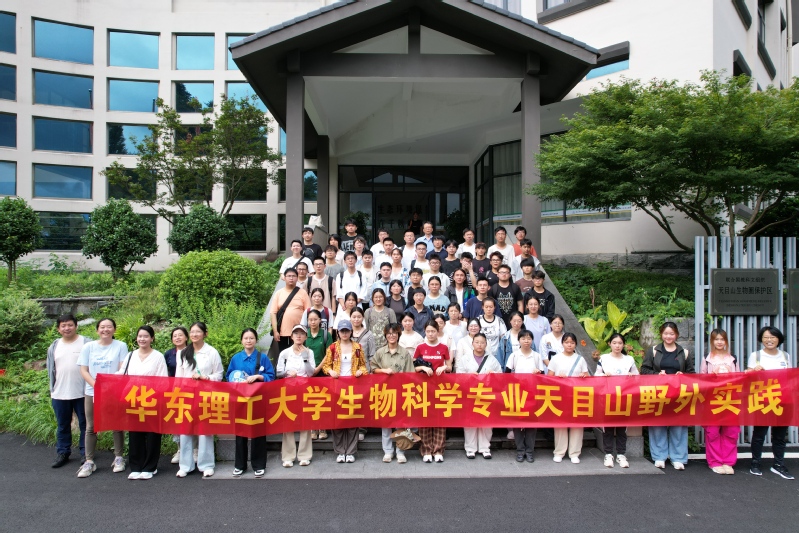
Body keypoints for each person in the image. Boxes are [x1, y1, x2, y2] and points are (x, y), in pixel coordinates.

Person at [76, 318, 129, 478]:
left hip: (114, 391)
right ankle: (89, 461)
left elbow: (122, 368)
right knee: (91, 426)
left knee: (116, 424)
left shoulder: (120, 346)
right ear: (97, 330)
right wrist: (96, 386)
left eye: (109, 327)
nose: (105, 330)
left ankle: (119, 457)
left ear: (114, 329)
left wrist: (109, 387)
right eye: (102, 327)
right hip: (92, 391)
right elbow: (84, 370)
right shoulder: (88, 347)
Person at [640, 321, 694, 471]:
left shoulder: (684, 352)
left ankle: (678, 457)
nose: (668, 336)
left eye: (671, 334)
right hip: (658, 393)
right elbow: (644, 370)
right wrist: (657, 374)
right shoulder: (653, 351)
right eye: (665, 333)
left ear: (676, 334)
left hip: (678, 395)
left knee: (679, 425)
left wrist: (683, 375)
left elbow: (692, 373)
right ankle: (659, 456)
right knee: (658, 424)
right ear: (661, 334)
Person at [118, 326, 168, 480]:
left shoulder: (158, 356)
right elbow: (122, 374)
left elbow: (163, 380)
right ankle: (136, 466)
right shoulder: (130, 355)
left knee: (152, 434)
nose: (142, 339)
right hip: (133, 399)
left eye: (146, 336)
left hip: (152, 399)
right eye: (140, 336)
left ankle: (150, 467)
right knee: (135, 433)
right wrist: (104, 379)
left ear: (152, 338)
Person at [175, 322, 223, 478]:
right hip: (187, 396)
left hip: (206, 396)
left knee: (205, 431)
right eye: (192, 332)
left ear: (205, 334)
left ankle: (206, 464)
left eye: (198, 332)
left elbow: (219, 375)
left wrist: (205, 377)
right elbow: (178, 377)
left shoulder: (212, 352)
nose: (194, 334)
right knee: (185, 431)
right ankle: (185, 465)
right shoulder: (182, 353)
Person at [746, 326, 794, 479]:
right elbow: (747, 377)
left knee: (780, 435)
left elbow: (790, 377)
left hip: (782, 400)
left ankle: (779, 464)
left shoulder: (785, 356)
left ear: (779, 339)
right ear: (761, 339)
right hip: (763, 400)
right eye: (766, 337)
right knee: (759, 434)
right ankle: (755, 463)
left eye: (772, 337)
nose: (769, 340)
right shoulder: (756, 356)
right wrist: (754, 371)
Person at [227, 328, 276, 478]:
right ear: (241, 341)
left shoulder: (263, 358)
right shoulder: (236, 358)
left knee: (258, 432)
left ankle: (259, 465)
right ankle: (240, 465)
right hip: (241, 400)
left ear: (256, 340)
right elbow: (229, 376)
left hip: (258, 400)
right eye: (246, 338)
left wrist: (259, 377)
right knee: (240, 432)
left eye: (251, 338)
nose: (248, 341)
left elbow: (271, 376)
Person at [321, 320, 367, 463]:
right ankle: (340, 451)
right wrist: (330, 371)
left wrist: (361, 371)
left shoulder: (357, 347)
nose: (345, 333)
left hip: (354, 388)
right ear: (338, 332)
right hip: (336, 388)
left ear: (351, 332)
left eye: (347, 331)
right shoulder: (332, 348)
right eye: (342, 331)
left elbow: (364, 366)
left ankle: (351, 451)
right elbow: (326, 366)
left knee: (353, 419)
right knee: (338, 420)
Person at [47, 314, 88, 469]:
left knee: (85, 424)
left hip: (82, 392)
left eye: (70, 325)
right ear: (58, 329)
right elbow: (51, 369)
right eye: (63, 326)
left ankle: (86, 453)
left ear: (76, 326)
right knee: (63, 424)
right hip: (60, 392)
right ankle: (63, 452)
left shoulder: (86, 343)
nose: (67, 328)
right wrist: (52, 388)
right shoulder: (54, 346)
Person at [371, 323, 413, 463]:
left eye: (394, 333)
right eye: (389, 333)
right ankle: (388, 451)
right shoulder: (380, 352)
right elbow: (373, 368)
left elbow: (410, 373)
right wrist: (383, 371)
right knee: (386, 424)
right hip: (385, 392)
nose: (391, 336)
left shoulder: (404, 353)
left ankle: (401, 451)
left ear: (398, 335)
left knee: (401, 423)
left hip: (401, 392)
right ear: (385, 335)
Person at [595, 333, 639, 469]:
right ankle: (608, 454)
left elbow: (638, 377)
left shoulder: (629, 359)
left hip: (624, 398)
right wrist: (603, 375)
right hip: (608, 398)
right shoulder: (604, 358)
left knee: (622, 428)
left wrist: (632, 376)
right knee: (607, 428)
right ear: (610, 344)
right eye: (614, 343)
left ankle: (621, 454)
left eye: (620, 343)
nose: (617, 346)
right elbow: (596, 376)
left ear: (623, 344)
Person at [699, 328, 739, 475]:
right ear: (712, 341)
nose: (719, 342)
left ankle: (728, 461)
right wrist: (712, 376)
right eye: (716, 339)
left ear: (726, 341)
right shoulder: (707, 358)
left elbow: (740, 379)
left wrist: (731, 374)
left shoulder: (733, 358)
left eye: (722, 339)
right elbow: (701, 380)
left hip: (730, 400)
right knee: (713, 432)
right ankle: (715, 461)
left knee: (731, 431)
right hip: (713, 400)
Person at [276, 325, 317, 467]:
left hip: (304, 390)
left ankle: (304, 455)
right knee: (288, 421)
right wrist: (287, 373)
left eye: (302, 333)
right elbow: (278, 372)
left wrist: (305, 358)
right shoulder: (285, 353)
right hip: (288, 390)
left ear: (306, 337)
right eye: (296, 333)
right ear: (291, 336)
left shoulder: (309, 352)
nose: (298, 336)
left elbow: (311, 373)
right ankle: (288, 456)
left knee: (305, 422)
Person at [547, 332, 589, 463]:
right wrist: (558, 378)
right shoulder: (556, 358)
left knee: (577, 424)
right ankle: (559, 452)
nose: (569, 345)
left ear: (575, 344)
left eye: (572, 342)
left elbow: (587, 376)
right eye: (566, 342)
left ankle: (574, 453)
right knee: (560, 424)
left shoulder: (580, 359)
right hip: (560, 396)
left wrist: (583, 376)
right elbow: (549, 378)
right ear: (562, 344)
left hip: (577, 396)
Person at [457, 333, 501, 459]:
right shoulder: (465, 358)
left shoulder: (492, 359)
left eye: (482, 342)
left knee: (486, 422)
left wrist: (493, 373)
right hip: (470, 394)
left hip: (486, 394)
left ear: (486, 344)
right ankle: (470, 448)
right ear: (472, 344)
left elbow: (500, 374)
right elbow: (458, 375)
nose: (479, 345)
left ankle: (485, 448)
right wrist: (469, 375)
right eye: (477, 342)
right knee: (470, 422)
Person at [413, 320, 452, 463]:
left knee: (440, 418)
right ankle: (426, 450)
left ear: (438, 331)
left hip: (440, 388)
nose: (430, 334)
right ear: (425, 331)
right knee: (424, 418)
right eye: (428, 331)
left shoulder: (443, 347)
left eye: (433, 331)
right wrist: (423, 368)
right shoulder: (420, 347)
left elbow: (449, 366)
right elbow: (414, 366)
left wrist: (444, 367)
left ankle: (438, 450)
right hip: (423, 388)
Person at [505, 329, 545, 462]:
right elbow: (506, 375)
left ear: (532, 340)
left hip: (533, 394)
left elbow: (543, 376)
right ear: (519, 341)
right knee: (518, 423)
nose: (526, 341)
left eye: (529, 338)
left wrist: (538, 373)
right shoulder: (514, 356)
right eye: (523, 338)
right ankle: (520, 450)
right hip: (517, 394)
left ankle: (530, 451)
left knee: (531, 424)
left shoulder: (537, 356)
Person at [164, 326, 189, 465]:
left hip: (190, 391)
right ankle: (179, 449)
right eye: (175, 336)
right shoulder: (169, 354)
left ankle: (194, 449)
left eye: (180, 335)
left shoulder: (192, 352)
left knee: (190, 419)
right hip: (173, 392)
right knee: (177, 421)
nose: (177, 338)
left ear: (186, 337)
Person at [305, 310, 331, 441]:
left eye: (315, 319)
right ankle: (312, 427)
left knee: (322, 399)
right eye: (310, 319)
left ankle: (323, 428)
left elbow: (329, 354)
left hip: (322, 371)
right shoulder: (305, 335)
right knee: (310, 399)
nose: (313, 322)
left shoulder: (326, 335)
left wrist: (317, 368)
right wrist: (311, 370)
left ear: (320, 320)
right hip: (308, 372)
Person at [270, 268, 311, 352]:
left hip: (299, 331)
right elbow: (273, 313)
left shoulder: (303, 293)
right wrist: (275, 331)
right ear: (284, 278)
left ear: (297, 278)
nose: (291, 278)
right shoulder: (279, 293)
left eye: (293, 276)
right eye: (289, 276)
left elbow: (308, 312)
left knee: (299, 353)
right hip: (282, 332)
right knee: (284, 354)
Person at [489, 264, 524, 328]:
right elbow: (490, 305)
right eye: (501, 272)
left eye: (506, 272)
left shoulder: (515, 287)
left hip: (514, 321)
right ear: (497, 274)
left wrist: (520, 318)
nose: (504, 274)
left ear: (510, 275)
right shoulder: (493, 288)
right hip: (498, 321)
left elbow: (520, 304)